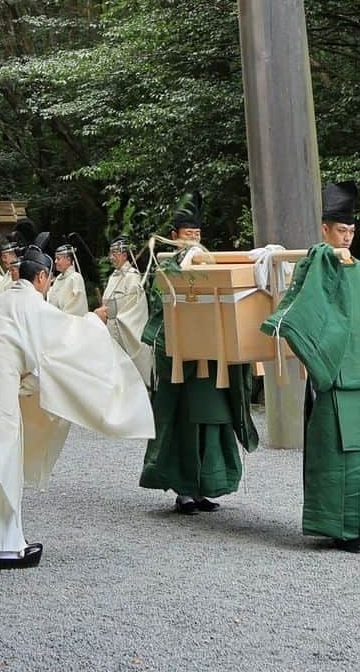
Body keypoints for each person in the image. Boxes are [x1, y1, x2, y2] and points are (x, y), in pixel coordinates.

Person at [0, 242, 154, 569]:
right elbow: (66, 336)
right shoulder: (29, 304)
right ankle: (4, 550)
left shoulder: (5, 300)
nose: (49, 286)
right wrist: (94, 322)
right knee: (1, 465)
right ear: (41, 277)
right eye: (49, 281)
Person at [261, 182, 360, 553]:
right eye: (340, 231)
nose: (346, 238)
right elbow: (304, 308)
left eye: (351, 231)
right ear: (325, 229)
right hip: (338, 376)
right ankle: (343, 529)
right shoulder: (318, 264)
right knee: (342, 456)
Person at [140, 194, 258, 514]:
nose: (194, 240)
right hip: (183, 360)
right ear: (175, 235)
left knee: (213, 420)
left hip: (212, 357)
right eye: (188, 234)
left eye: (198, 235)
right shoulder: (167, 267)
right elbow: (159, 307)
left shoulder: (211, 265)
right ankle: (184, 490)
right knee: (184, 424)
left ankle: (206, 485)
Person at [94, 236, 151, 383]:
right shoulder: (114, 276)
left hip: (124, 327)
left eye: (115, 253)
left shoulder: (132, 277)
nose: (111, 257)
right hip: (110, 327)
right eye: (111, 253)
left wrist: (118, 319)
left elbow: (134, 309)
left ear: (124, 255)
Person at [47, 243, 87, 317]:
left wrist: (62, 318)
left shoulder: (75, 278)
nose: (55, 261)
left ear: (68, 260)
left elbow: (77, 306)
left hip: (71, 323)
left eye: (58, 259)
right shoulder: (58, 279)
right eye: (55, 258)